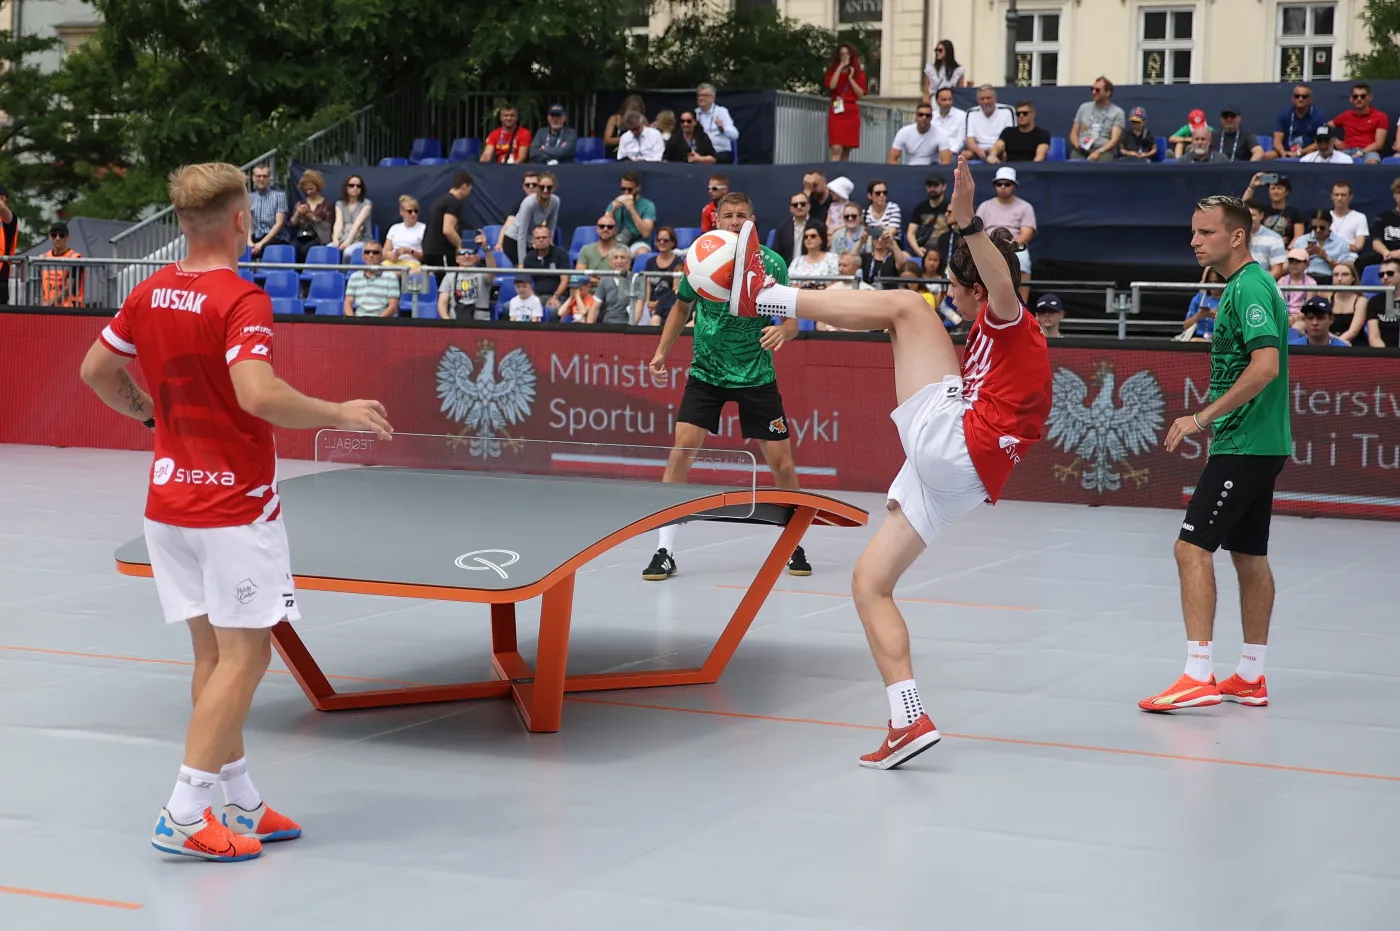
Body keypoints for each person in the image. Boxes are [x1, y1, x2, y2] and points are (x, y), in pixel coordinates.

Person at [78, 161, 392, 862]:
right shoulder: (242, 299)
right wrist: (338, 411)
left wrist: (151, 417)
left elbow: (96, 370)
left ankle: (242, 801)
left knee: (213, 656)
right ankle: (185, 813)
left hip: (168, 503)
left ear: (183, 222)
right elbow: (258, 394)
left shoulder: (149, 291)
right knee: (246, 655)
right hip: (231, 508)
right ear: (243, 219)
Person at [730, 154, 1051, 769]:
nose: (951, 296)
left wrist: (968, 222)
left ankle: (768, 297)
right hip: (963, 478)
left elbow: (997, 284)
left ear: (979, 290)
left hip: (964, 442)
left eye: (956, 287)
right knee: (869, 583)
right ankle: (908, 718)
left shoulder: (1010, 318)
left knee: (908, 308)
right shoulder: (992, 331)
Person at [1142, 195, 1291, 713]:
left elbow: (1265, 366)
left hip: (1244, 441)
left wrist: (1201, 417)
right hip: (1258, 442)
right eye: (1193, 231)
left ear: (1237, 237)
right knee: (1249, 556)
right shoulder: (1240, 286)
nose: (1194, 241)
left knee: (1191, 549)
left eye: (1205, 232)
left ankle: (1197, 674)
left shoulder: (1249, 287)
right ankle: (1249, 675)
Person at [643, 191, 812, 582]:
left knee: (783, 465)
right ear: (717, 221)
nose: (735, 221)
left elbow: (792, 320)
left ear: (752, 221)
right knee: (680, 453)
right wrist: (661, 352)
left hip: (756, 375)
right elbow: (682, 307)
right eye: (729, 216)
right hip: (706, 372)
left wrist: (784, 331)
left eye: (742, 216)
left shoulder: (771, 262)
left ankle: (793, 543)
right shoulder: (701, 257)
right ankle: (664, 550)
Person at [422, 171, 474, 279]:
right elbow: (448, 230)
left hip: (430, 251)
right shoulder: (453, 202)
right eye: (470, 189)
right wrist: (460, 246)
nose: (470, 192)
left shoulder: (441, 201)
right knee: (447, 283)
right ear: (464, 186)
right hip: (441, 253)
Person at [825, 44, 868, 161]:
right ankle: (834, 170)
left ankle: (843, 171)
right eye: (842, 54)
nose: (844, 56)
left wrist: (850, 78)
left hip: (851, 110)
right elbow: (832, 85)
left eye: (847, 54)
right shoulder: (833, 71)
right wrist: (840, 68)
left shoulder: (858, 73)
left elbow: (860, 94)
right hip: (837, 110)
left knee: (846, 150)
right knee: (836, 147)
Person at [438, 238, 496, 323]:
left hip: (481, 323)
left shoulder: (483, 274)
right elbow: (442, 302)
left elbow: (492, 269)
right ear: (456, 259)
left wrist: (486, 249)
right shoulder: (449, 276)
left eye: (471, 253)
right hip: (456, 322)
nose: (466, 256)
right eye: (462, 253)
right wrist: (447, 320)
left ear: (477, 258)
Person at [1068, 77, 1124, 161]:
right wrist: (1077, 145)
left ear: (1108, 93)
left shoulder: (1117, 112)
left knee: (1102, 163)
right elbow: (1074, 132)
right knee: (1074, 163)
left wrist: (1099, 151)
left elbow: (1114, 140)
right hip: (1082, 148)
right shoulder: (1084, 107)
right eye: (1092, 89)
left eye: (1097, 90)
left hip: (1103, 150)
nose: (1093, 92)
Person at [288, 170, 333, 264]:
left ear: (317, 187)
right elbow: (292, 223)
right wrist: (297, 213)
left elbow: (327, 226)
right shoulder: (301, 203)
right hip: (301, 236)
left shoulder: (326, 205)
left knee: (305, 250)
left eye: (311, 189)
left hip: (317, 237)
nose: (308, 192)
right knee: (292, 248)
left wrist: (311, 216)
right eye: (306, 190)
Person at [888, 102, 951, 166]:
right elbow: (892, 159)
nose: (924, 118)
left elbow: (946, 162)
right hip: (910, 168)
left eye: (927, 115)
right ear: (915, 116)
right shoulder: (903, 132)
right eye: (920, 115)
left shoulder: (941, 134)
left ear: (931, 117)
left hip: (931, 169)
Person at [1272, 84, 1325, 158]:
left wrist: (1299, 153)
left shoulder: (1318, 116)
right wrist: (1283, 153)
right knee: (1267, 155)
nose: (1300, 99)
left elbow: (1321, 142)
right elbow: (1277, 141)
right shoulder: (1284, 114)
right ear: (1293, 99)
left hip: (1307, 152)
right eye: (1297, 96)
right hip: (1286, 152)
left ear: (1310, 99)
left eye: (1304, 96)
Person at [1326, 262, 1367, 345]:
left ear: (1353, 278)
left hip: (1354, 343)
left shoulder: (1361, 301)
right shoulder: (1328, 299)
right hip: (1330, 342)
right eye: (1336, 275)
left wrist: (1339, 344)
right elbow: (1324, 329)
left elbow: (1354, 331)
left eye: (1345, 275)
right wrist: (1334, 343)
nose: (1339, 279)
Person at [331, 175, 373, 254]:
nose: (355, 188)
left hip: (361, 240)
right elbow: (338, 223)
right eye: (351, 185)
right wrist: (335, 239)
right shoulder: (339, 204)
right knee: (329, 249)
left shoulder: (366, 204)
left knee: (348, 252)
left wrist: (348, 242)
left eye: (358, 186)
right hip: (342, 238)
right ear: (346, 187)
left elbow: (357, 224)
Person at [1365, 257, 1400, 347]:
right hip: (1384, 352)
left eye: (1390, 273)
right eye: (1381, 274)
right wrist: (1386, 354)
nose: (1385, 277)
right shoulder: (1374, 302)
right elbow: (1374, 336)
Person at [1181, 269, 1223, 341]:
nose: (1212, 285)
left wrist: (1219, 317)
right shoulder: (1199, 298)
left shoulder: (1229, 299)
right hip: (1199, 337)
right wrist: (1199, 315)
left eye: (1216, 282)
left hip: (1221, 339)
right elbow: (1185, 326)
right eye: (1210, 282)